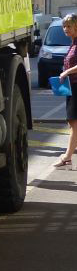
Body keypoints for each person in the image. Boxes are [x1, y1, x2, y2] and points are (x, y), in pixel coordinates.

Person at [54, 13, 77, 167]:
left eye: (69, 26)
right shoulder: (73, 43)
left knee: (74, 123)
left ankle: (67, 156)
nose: (65, 29)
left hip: (76, 87)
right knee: (73, 123)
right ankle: (68, 155)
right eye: (64, 26)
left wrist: (66, 72)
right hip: (71, 87)